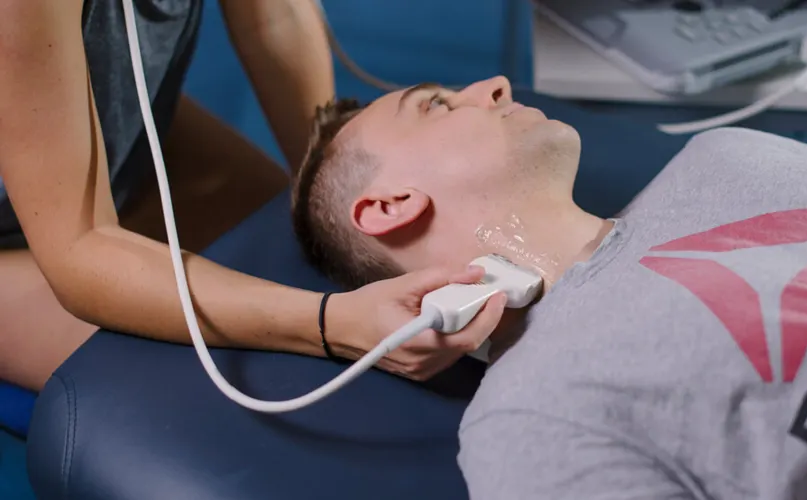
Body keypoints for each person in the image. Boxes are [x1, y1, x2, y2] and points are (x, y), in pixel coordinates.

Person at [291, 75, 807, 498]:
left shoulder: (728, 154)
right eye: (436, 104)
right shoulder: (526, 423)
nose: (493, 84)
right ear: (391, 204)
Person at [0, 0, 506, 394]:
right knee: (263, 374)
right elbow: (81, 242)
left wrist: (341, 194)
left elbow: (275, 21)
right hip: (21, 238)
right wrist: (329, 326)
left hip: (105, 129)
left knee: (322, 252)